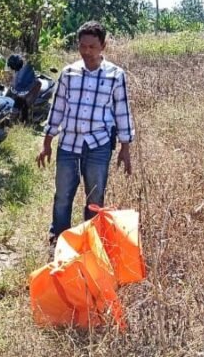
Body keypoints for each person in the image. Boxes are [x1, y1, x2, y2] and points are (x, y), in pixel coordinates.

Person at [37, 21, 134, 249]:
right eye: (82, 46)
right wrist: (47, 142)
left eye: (92, 47)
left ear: (103, 46)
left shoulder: (115, 75)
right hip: (69, 143)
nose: (87, 52)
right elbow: (58, 108)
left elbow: (122, 111)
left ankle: (90, 245)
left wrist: (125, 148)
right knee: (62, 196)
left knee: (95, 198)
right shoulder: (68, 73)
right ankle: (58, 242)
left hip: (98, 145)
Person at [9, 54, 40, 123]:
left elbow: (31, 76)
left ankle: (26, 120)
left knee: (27, 100)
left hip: (27, 88)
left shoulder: (28, 70)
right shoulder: (18, 70)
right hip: (19, 89)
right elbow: (16, 79)